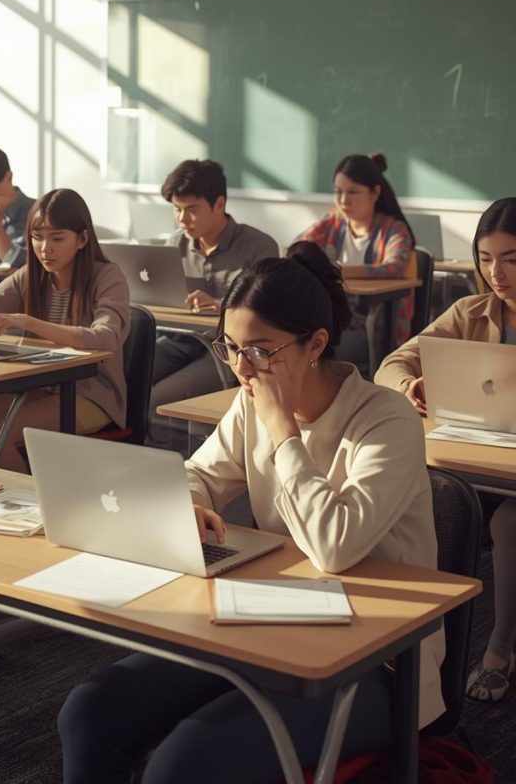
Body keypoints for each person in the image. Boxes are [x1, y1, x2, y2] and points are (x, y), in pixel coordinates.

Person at [58, 242, 443, 784]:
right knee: (90, 711)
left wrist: (285, 431)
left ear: (316, 345)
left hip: (376, 660)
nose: (241, 368)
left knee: (183, 763)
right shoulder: (251, 400)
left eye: (260, 350)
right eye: (231, 347)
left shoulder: (386, 419)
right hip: (268, 620)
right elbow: (197, 474)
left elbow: (335, 546)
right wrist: (191, 502)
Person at [377, 196, 516, 702]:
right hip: (476, 457)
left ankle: (499, 648)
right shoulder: (470, 311)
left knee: (507, 523)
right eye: (485, 258)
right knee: (427, 497)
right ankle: (407, 647)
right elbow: (393, 362)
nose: (495, 273)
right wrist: (409, 385)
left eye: (511, 259)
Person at [0, 188, 129, 472]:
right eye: (37, 237)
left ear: (82, 239)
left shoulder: (107, 276)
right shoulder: (31, 275)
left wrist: (28, 322)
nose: (45, 248)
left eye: (57, 238)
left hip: (90, 395)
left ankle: (21, 510)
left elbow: (105, 339)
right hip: (38, 387)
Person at [150, 159, 279, 419]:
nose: (182, 219)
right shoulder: (174, 244)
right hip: (180, 341)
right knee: (126, 374)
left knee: (158, 396)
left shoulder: (260, 247)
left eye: (192, 209)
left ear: (219, 203)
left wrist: (223, 307)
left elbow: (267, 313)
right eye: (177, 209)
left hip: (226, 351)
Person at [297, 152, 415, 373]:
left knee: (308, 352)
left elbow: (394, 267)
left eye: (352, 192)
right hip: (334, 322)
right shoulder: (332, 222)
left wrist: (336, 270)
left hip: (374, 330)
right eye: (338, 192)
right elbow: (298, 250)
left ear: (375, 193)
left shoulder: (393, 229)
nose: (343, 200)